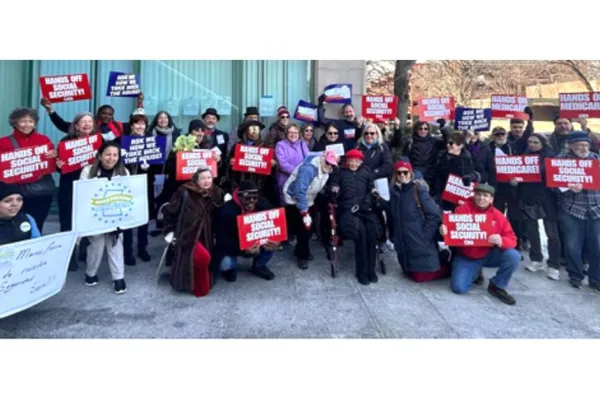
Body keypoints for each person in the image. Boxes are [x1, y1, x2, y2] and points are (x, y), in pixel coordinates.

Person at [440, 184, 520, 305]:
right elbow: (451, 233)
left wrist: (501, 241)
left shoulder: (498, 216)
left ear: (491, 199)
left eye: (485, 196)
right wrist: (444, 232)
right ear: (474, 195)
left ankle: (497, 285)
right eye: (478, 194)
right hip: (467, 256)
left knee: (514, 256)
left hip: (489, 254)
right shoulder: (462, 210)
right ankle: (475, 272)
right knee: (459, 288)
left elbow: (513, 239)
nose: (481, 198)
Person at [375, 160, 446, 282]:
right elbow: (391, 209)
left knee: (419, 278)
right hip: (405, 241)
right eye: (399, 173)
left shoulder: (418, 190)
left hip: (419, 239)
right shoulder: (395, 191)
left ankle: (448, 262)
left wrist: (425, 237)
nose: (402, 175)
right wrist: (377, 198)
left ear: (410, 173)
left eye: (405, 172)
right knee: (407, 272)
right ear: (395, 175)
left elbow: (434, 215)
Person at [162, 166, 225, 296]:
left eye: (209, 178)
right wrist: (169, 230)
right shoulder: (184, 191)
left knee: (202, 260)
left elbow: (223, 209)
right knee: (202, 258)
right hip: (187, 234)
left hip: (207, 234)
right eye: (203, 178)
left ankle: (200, 284)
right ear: (196, 179)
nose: (206, 181)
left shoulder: (217, 192)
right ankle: (187, 283)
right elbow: (170, 211)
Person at [79, 141, 130, 294]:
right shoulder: (88, 171)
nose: (111, 158)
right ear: (100, 156)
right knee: (96, 245)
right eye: (108, 154)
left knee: (115, 245)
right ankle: (90, 273)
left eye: (115, 155)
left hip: (115, 214)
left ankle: (118, 277)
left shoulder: (124, 171)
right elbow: (82, 194)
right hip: (94, 215)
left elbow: (128, 193)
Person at [555, 132, 600, 292]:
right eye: (580, 145)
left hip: (596, 209)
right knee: (573, 245)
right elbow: (554, 184)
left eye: (586, 145)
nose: (583, 148)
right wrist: (568, 186)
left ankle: (596, 279)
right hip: (571, 209)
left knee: (597, 245)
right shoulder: (560, 160)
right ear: (571, 146)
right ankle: (575, 275)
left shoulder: (596, 159)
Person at [328, 149, 381, 285]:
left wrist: (368, 202)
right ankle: (361, 271)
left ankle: (371, 270)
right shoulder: (340, 172)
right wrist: (334, 189)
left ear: (361, 162)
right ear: (347, 161)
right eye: (351, 161)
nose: (354, 163)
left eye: (357, 161)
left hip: (364, 209)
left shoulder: (366, 172)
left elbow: (371, 190)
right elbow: (332, 186)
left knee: (371, 231)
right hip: (347, 212)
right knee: (360, 233)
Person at [0, 108, 57, 232]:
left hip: (40, 192)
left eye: (30, 121)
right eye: (23, 121)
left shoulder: (44, 140)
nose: (27, 125)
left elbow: (54, 166)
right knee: (16, 227)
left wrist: (55, 157)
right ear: (14, 123)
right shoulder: (4, 143)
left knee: (37, 225)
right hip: (15, 192)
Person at [515, 134, 562, 279]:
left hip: (547, 198)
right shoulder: (525, 155)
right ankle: (536, 259)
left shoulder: (551, 156)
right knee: (532, 230)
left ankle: (554, 264)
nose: (532, 144)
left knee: (552, 233)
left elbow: (545, 171)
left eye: (535, 142)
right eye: (530, 142)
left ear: (542, 143)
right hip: (529, 197)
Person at [213, 180, 280, 282]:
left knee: (271, 244)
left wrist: (277, 240)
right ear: (239, 197)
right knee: (225, 263)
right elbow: (223, 240)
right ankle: (230, 269)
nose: (252, 201)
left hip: (256, 241)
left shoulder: (263, 204)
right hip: (234, 242)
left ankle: (259, 266)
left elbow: (277, 223)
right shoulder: (226, 211)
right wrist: (242, 249)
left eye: (255, 198)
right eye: (248, 198)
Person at [55, 112, 97, 271]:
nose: (87, 124)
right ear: (76, 125)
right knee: (67, 222)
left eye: (90, 121)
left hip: (90, 187)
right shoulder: (65, 142)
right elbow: (60, 168)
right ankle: (69, 257)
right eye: (83, 122)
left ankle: (84, 252)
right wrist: (59, 166)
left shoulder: (97, 141)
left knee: (87, 220)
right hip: (69, 186)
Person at [284, 150, 338, 269]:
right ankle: (302, 256)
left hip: (309, 198)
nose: (330, 166)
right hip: (295, 199)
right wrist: (304, 211)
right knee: (304, 228)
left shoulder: (326, 171)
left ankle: (300, 250)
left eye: (332, 165)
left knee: (310, 228)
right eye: (328, 163)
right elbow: (299, 191)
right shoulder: (309, 169)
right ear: (323, 159)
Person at [158, 119, 220, 209]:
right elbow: (168, 167)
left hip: (199, 191)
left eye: (202, 131)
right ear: (190, 132)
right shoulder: (180, 144)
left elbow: (214, 171)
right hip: (179, 189)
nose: (200, 133)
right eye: (197, 130)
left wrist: (217, 161)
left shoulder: (208, 147)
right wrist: (178, 156)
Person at [122, 114, 153, 266]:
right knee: (128, 219)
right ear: (131, 125)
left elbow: (159, 163)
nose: (140, 127)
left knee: (143, 218)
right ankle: (127, 251)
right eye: (137, 124)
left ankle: (142, 248)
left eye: (143, 124)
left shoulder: (150, 142)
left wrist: (148, 166)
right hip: (127, 185)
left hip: (144, 184)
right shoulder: (122, 141)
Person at [40, 97, 142, 141]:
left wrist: (140, 103)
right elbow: (61, 125)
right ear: (97, 114)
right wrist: (50, 110)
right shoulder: (86, 126)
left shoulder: (120, 126)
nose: (107, 116)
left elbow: (139, 122)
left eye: (110, 114)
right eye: (104, 113)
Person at [434, 132, 483, 211]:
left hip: (461, 199)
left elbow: (480, 174)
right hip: (443, 199)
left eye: (451, 143)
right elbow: (436, 176)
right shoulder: (441, 156)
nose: (448, 145)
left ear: (460, 145)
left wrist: (472, 176)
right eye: (447, 143)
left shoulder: (468, 158)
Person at [227, 120, 275, 194]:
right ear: (245, 132)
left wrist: (273, 164)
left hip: (259, 185)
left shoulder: (265, 147)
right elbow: (228, 165)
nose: (255, 132)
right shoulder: (237, 147)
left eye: (257, 129)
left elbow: (272, 170)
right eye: (252, 129)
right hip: (240, 183)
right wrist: (231, 162)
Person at [403, 121, 449, 190]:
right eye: (420, 128)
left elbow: (447, 143)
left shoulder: (434, 141)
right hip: (416, 171)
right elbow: (405, 158)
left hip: (431, 172)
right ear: (416, 130)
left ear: (428, 130)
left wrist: (443, 129)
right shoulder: (411, 142)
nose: (423, 131)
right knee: (419, 190)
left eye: (425, 129)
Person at [275, 124, 309, 205]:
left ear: (299, 134)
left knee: (300, 207)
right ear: (286, 133)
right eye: (290, 132)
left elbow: (308, 160)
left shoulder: (302, 144)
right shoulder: (280, 145)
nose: (293, 135)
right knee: (287, 208)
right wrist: (299, 173)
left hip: (301, 182)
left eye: (295, 133)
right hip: (286, 181)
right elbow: (283, 165)